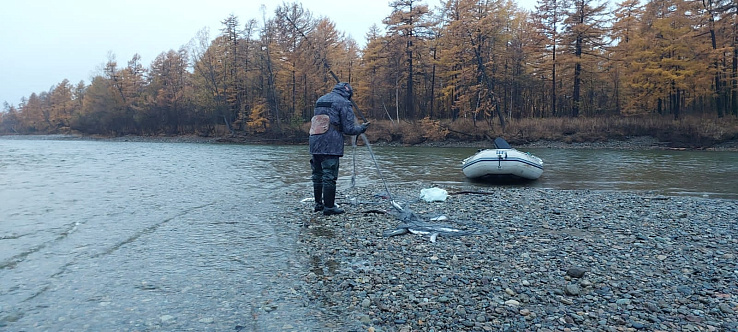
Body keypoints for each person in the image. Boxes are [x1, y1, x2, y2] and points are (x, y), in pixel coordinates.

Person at [309, 82, 369, 215]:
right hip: (330, 143)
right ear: (348, 93)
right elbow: (348, 129)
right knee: (329, 175)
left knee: (317, 175)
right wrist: (362, 128)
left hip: (314, 140)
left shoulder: (321, 100)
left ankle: (318, 204)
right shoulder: (344, 102)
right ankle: (329, 207)